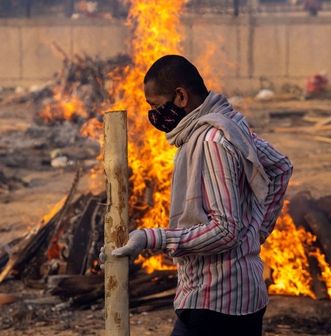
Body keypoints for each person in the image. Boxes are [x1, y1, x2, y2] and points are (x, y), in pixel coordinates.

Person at [110, 55, 293, 336]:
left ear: (180, 96)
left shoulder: (210, 142)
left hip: (216, 299)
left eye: (156, 106)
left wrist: (151, 238)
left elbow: (225, 230)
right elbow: (280, 167)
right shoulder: (229, 123)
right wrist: (257, 230)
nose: (155, 115)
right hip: (245, 295)